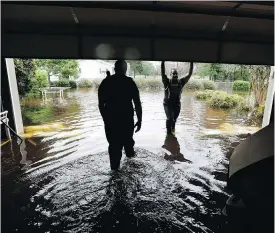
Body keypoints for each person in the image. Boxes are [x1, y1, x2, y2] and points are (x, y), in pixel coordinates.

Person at [98, 60, 142, 171]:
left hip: (111, 121)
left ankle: (114, 172)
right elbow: (137, 103)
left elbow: (100, 104)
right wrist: (140, 120)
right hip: (127, 121)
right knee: (128, 146)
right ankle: (131, 172)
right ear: (125, 69)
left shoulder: (105, 82)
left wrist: (105, 119)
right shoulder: (129, 82)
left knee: (114, 147)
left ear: (115, 69)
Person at [161, 61, 193, 135]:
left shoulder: (181, 82)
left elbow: (189, 74)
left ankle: (173, 132)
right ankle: (168, 134)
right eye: (173, 74)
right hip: (167, 104)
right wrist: (162, 61)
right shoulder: (166, 82)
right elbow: (162, 73)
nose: (175, 75)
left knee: (174, 120)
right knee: (170, 118)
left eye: (176, 74)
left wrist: (191, 62)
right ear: (170, 74)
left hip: (177, 104)